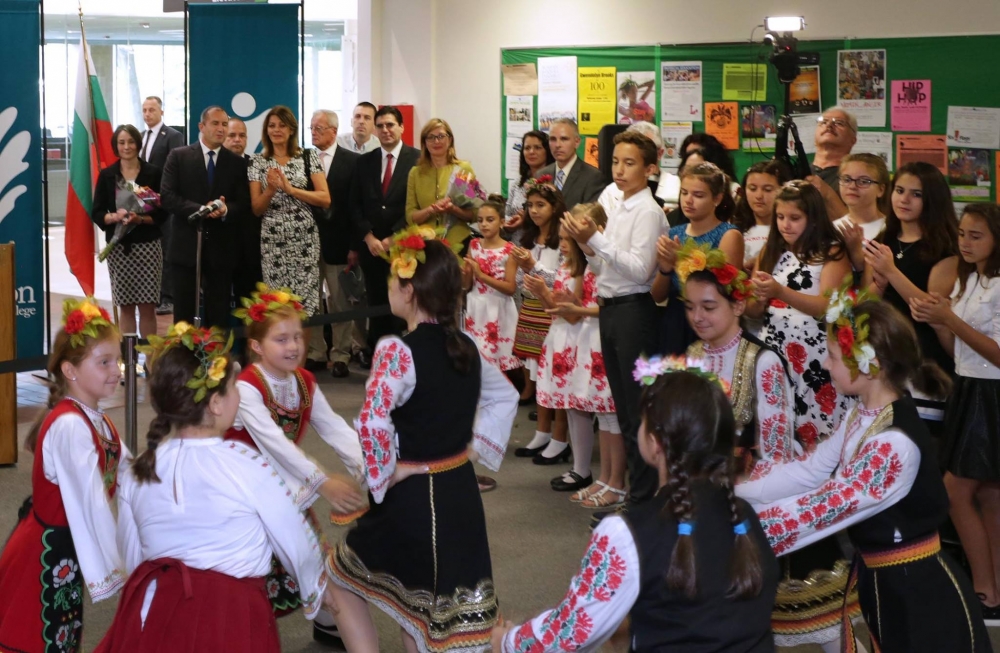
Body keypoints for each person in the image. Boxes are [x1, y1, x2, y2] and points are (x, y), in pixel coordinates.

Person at [739, 290, 989, 653]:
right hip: (885, 583)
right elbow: (808, 470)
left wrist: (731, 528)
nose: (825, 365)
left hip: (920, 593)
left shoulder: (894, 445)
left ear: (869, 365)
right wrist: (730, 489)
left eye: (834, 356)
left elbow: (821, 509)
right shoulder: (862, 414)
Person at [492, 369, 779, 652]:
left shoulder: (626, 533)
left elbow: (566, 635)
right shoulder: (744, 514)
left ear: (654, 443)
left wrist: (506, 641)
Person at [325, 233, 517, 653]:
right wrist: (471, 451)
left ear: (409, 291)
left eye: (394, 281)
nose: (390, 288)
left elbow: (373, 422)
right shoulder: (465, 346)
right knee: (421, 613)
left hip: (412, 502)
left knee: (340, 576)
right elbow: (506, 397)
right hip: (460, 494)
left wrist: (383, 476)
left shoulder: (397, 349)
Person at [96, 323, 330, 652]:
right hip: (230, 613)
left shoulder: (137, 471)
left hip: (159, 611)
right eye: (234, 387)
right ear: (217, 404)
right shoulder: (246, 463)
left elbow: (134, 558)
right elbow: (294, 540)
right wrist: (316, 591)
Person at [227, 285, 365, 645]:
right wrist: (322, 482)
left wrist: (371, 467)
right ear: (256, 346)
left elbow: (334, 428)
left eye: (296, 338)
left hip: (283, 488)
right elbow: (274, 445)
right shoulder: (247, 387)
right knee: (251, 571)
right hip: (243, 493)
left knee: (312, 557)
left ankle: (325, 620)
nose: (293, 347)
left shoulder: (304, 382)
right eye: (281, 339)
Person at [0, 298, 125, 652]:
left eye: (115, 359)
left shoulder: (95, 417)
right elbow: (90, 503)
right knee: (38, 637)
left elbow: (130, 471)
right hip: (44, 554)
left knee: (60, 633)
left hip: (63, 549)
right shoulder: (71, 425)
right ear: (70, 371)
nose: (115, 370)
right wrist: (117, 568)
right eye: (103, 362)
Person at [563, 130, 666, 508]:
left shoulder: (648, 211)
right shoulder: (612, 198)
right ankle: (633, 495)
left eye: (630, 163)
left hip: (634, 311)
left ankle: (642, 499)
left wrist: (598, 240)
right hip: (609, 308)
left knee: (638, 412)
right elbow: (599, 266)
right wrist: (587, 244)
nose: (619, 171)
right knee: (622, 409)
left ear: (650, 169)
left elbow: (641, 272)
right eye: (616, 162)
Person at [910, 203, 1000, 623]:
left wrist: (951, 319)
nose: (965, 242)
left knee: (955, 492)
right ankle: (994, 590)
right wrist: (939, 321)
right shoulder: (972, 278)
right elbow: (958, 352)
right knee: (987, 495)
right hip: (968, 389)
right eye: (962, 233)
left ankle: (983, 588)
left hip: (992, 395)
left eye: (976, 235)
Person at [746, 181, 851, 446]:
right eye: (780, 217)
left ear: (813, 219)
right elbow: (754, 309)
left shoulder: (832, 251)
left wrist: (780, 291)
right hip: (775, 351)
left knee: (816, 427)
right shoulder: (771, 252)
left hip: (815, 356)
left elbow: (826, 307)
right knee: (777, 425)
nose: (785, 225)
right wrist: (756, 297)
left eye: (795, 218)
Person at [678, 243, 798, 470]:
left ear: (738, 306)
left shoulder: (763, 361)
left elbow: (776, 452)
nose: (697, 317)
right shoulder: (693, 353)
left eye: (709, 307)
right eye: (690, 307)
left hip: (749, 483)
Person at [863, 162, 958, 433]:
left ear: (932, 200)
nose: (903, 199)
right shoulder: (884, 240)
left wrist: (891, 272)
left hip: (926, 362)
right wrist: (879, 286)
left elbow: (930, 309)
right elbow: (866, 304)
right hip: (884, 358)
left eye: (916, 194)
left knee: (918, 445)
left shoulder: (945, 248)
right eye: (900, 190)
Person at [547, 203, 625, 508]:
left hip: (605, 337)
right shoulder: (586, 260)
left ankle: (617, 482)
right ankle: (605, 479)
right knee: (604, 415)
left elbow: (610, 303)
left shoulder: (609, 257)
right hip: (590, 339)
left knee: (612, 414)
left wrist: (577, 308)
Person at [160, 105, 250, 328]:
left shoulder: (237, 163)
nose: (221, 129)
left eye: (224, 124)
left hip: (221, 250)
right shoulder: (179, 157)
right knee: (183, 313)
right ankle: (184, 360)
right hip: (186, 246)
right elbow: (168, 196)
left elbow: (244, 203)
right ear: (201, 126)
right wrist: (202, 209)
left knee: (218, 313)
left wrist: (226, 209)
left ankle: (215, 359)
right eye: (215, 123)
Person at [653, 162, 743, 356]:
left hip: (711, 321)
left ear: (717, 199)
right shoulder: (674, 233)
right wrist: (666, 268)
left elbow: (724, 288)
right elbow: (657, 295)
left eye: (698, 195)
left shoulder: (728, 235)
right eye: (684, 193)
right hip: (676, 319)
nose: (688, 200)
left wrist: (681, 260)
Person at [350, 105, 420, 354]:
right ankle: (379, 356)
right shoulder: (363, 163)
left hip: (403, 247)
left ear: (401, 127)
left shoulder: (418, 159)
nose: (385, 130)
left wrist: (394, 237)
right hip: (372, 248)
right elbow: (354, 204)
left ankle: (405, 357)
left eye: (390, 124)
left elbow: (415, 205)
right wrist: (368, 237)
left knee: (404, 303)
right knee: (377, 303)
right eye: (380, 126)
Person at [249, 105, 330, 318]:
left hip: (304, 241)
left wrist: (291, 189)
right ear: (266, 130)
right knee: (277, 308)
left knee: (305, 309)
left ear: (291, 129)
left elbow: (325, 198)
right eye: (272, 126)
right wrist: (271, 190)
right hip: (272, 243)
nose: (276, 130)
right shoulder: (257, 161)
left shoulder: (308, 157)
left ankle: (302, 352)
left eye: (282, 126)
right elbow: (257, 209)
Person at [526, 221, 587, 488]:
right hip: (558, 337)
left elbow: (572, 316)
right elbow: (554, 308)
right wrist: (542, 294)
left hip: (574, 339)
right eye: (560, 238)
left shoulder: (582, 272)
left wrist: (544, 294)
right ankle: (576, 465)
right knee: (568, 405)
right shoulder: (564, 267)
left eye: (567, 239)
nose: (562, 244)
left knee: (576, 405)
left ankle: (580, 466)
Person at [91, 124, 166, 339]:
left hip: (148, 248)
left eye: (131, 141)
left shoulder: (153, 173)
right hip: (119, 249)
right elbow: (97, 212)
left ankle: (150, 359)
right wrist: (113, 217)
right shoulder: (108, 175)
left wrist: (140, 219)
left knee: (147, 307)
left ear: (138, 144)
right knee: (125, 306)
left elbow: (163, 213)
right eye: (121, 142)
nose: (127, 146)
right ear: (115, 146)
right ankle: (129, 360)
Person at [305, 109, 364, 378]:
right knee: (312, 302)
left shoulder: (352, 162)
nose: (314, 133)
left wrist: (355, 246)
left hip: (339, 243)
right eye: (311, 128)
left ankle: (341, 354)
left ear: (333, 131)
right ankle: (316, 352)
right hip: (307, 242)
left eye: (319, 128)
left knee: (340, 302)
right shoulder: (303, 160)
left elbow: (356, 208)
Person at [511, 180, 567, 462]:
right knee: (538, 376)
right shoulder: (528, 239)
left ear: (555, 207)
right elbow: (522, 283)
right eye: (530, 205)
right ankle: (542, 433)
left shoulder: (564, 242)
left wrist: (534, 267)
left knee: (554, 376)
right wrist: (524, 269)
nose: (534, 211)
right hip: (532, 309)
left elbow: (562, 282)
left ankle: (560, 437)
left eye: (540, 205)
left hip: (554, 314)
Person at [463, 196, 521, 372]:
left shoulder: (509, 250)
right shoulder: (474, 244)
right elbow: (467, 285)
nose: (484, 225)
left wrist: (481, 275)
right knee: (478, 357)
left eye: (490, 220)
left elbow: (510, 288)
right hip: (476, 306)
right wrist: (465, 274)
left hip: (498, 307)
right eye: (480, 220)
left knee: (496, 359)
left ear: (502, 222)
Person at [139, 96, 185, 317]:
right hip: (144, 204)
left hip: (166, 204)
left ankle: (168, 297)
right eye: (145, 110)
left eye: (152, 110)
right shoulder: (140, 138)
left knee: (167, 251)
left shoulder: (173, 137)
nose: (148, 114)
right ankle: (153, 295)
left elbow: (176, 168)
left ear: (161, 112)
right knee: (152, 251)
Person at [406, 118, 478, 249]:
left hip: (458, 244)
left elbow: (474, 214)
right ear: (424, 143)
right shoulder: (415, 173)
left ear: (450, 140)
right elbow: (410, 217)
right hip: (426, 245)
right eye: (431, 137)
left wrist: (452, 209)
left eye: (441, 136)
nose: (436, 141)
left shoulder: (463, 170)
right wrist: (431, 210)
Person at [226, 116, 263, 310]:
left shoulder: (256, 165)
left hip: (250, 248)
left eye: (242, 135)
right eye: (232, 135)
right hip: (221, 246)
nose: (237, 140)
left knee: (250, 305)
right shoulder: (215, 167)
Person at [833, 153, 890, 271]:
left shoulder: (890, 228)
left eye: (864, 181)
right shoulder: (832, 228)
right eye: (846, 179)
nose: (852, 186)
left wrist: (856, 251)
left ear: (881, 189)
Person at [534, 118, 607, 209]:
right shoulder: (541, 174)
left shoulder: (592, 177)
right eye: (553, 139)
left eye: (564, 139)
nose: (557, 145)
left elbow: (590, 216)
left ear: (577, 142)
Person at [733, 160, 792, 271]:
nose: (759, 196)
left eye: (767, 189)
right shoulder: (734, 228)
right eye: (752, 189)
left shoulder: (790, 229)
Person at [807, 107, 856, 220]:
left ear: (853, 140)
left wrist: (828, 195)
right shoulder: (797, 173)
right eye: (823, 122)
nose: (829, 125)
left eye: (839, 123)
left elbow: (860, 228)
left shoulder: (858, 179)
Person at [503, 129, 554, 230]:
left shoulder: (552, 182)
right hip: (516, 242)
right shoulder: (518, 183)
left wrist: (526, 220)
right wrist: (510, 223)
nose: (531, 152)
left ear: (547, 151)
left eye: (537, 148)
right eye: (527, 148)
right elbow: (507, 214)